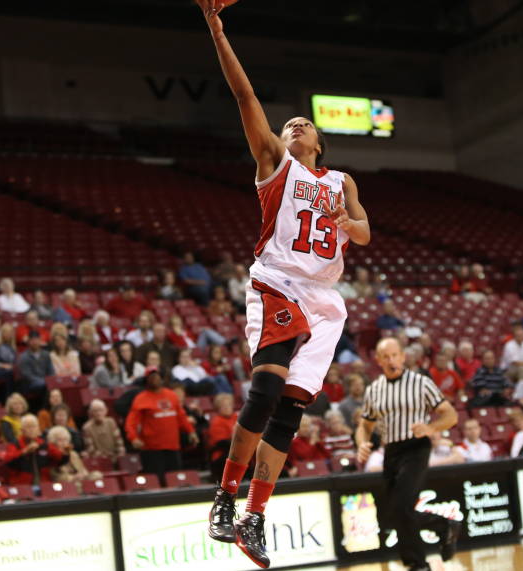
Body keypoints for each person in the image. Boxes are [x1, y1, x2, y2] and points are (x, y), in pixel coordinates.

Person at [197, 4, 371, 567]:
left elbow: (365, 232)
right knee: (266, 390)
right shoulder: (276, 164)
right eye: (288, 123)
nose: (295, 125)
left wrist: (352, 225)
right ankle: (224, 498)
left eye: (304, 124)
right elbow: (246, 98)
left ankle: (255, 516)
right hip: (277, 283)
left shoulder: (342, 180)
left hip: (326, 303)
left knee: (293, 408)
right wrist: (218, 31)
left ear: (319, 140)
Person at [355, 338, 459, 571]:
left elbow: (450, 415)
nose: (392, 360)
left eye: (395, 355)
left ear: (403, 356)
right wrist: (362, 443)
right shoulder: (374, 390)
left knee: (401, 506)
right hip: (391, 451)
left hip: (416, 447)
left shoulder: (421, 383)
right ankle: (443, 525)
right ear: (378, 360)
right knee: (395, 512)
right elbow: (364, 425)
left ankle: (417, 565)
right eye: (386, 356)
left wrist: (431, 428)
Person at [125, 367, 198, 481]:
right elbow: (131, 422)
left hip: (172, 447)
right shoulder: (141, 399)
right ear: (146, 380)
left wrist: (191, 431)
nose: (155, 379)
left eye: (157, 376)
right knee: (156, 482)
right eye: (151, 376)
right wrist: (133, 438)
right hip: (152, 449)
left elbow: (181, 416)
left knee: (175, 481)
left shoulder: (171, 395)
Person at [3, 414, 67, 485]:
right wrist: (25, 451)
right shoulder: (15, 444)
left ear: (38, 429)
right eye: (28, 427)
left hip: (44, 484)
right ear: (22, 430)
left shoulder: (44, 444)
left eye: (34, 426)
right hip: (23, 485)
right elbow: (8, 460)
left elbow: (59, 459)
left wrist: (65, 454)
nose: (31, 429)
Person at [46, 426, 102, 490]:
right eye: (60, 440)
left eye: (65, 440)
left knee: (97, 475)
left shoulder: (73, 454)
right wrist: (73, 477)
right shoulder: (53, 456)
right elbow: (56, 477)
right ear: (53, 442)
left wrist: (83, 474)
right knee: (77, 484)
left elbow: (82, 469)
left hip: (80, 479)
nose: (64, 443)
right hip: (65, 483)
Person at [0, 322, 18, 394]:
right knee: (10, 373)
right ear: (2, 333)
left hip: (10, 371)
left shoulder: (13, 347)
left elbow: (15, 362)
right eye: (6, 332)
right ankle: (9, 396)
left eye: (10, 332)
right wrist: (1, 365)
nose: (8, 334)